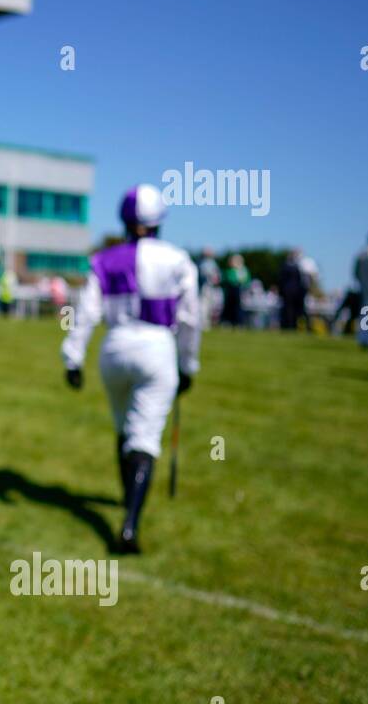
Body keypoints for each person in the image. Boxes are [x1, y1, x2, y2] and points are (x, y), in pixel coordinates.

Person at [60, 184, 200, 554]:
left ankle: (127, 500)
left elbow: (85, 313)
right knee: (145, 438)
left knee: (124, 429)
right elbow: (190, 319)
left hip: (115, 347)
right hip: (157, 348)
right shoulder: (178, 260)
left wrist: (72, 357)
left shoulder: (104, 260)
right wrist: (189, 365)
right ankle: (129, 525)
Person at [277, 248, 309, 331]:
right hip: (290, 292)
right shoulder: (291, 266)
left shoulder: (294, 266)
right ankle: (289, 326)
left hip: (292, 292)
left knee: (292, 310)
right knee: (288, 310)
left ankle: (291, 326)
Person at [220, 253, 249, 328]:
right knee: (229, 307)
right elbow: (227, 279)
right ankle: (228, 322)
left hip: (239, 291)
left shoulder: (243, 270)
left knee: (238, 308)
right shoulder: (230, 270)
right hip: (230, 291)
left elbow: (247, 280)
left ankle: (238, 323)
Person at [197, 247, 221, 328]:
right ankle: (203, 323)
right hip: (205, 287)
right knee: (204, 305)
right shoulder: (201, 263)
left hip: (212, 287)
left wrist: (216, 279)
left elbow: (217, 275)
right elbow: (204, 275)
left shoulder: (213, 263)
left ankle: (208, 322)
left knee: (211, 306)